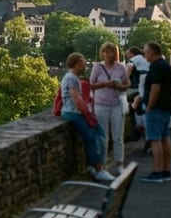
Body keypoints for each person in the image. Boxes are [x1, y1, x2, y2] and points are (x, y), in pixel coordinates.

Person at [60, 52, 115, 182]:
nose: (85, 67)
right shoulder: (71, 78)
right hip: (73, 113)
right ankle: (98, 169)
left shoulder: (72, 77)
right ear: (78, 64)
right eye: (83, 64)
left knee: (97, 136)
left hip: (75, 112)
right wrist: (87, 115)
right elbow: (76, 99)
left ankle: (97, 166)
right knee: (91, 138)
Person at [89, 42, 130, 173]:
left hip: (116, 105)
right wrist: (106, 84)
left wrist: (118, 87)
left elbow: (127, 84)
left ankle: (119, 164)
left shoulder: (120, 68)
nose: (107, 54)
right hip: (100, 105)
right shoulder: (97, 67)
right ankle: (103, 164)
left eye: (110, 52)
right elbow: (91, 85)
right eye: (105, 52)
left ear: (115, 53)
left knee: (118, 136)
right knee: (103, 137)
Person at [140, 42, 171, 183]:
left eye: (146, 52)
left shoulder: (155, 66)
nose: (144, 55)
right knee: (165, 139)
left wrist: (149, 106)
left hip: (156, 108)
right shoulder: (166, 65)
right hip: (167, 106)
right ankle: (166, 170)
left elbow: (155, 88)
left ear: (153, 52)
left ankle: (157, 172)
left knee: (155, 140)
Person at [126, 46, 149, 144]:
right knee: (140, 109)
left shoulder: (134, 59)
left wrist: (124, 82)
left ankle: (135, 131)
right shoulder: (144, 59)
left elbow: (129, 70)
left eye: (127, 53)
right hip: (145, 89)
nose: (126, 55)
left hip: (137, 87)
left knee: (127, 103)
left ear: (132, 53)